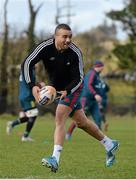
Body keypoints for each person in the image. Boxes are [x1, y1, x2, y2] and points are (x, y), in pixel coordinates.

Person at [21, 24, 119, 172]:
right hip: (57, 89)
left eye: (70, 37)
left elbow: (79, 79)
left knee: (60, 117)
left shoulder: (75, 53)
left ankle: (55, 159)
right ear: (56, 36)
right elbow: (27, 63)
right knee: (82, 122)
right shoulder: (45, 47)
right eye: (64, 36)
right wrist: (32, 85)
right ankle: (109, 143)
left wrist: (66, 91)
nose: (68, 40)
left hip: (72, 88)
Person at [65, 61, 109, 139]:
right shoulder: (92, 73)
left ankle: (102, 139)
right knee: (79, 118)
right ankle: (68, 133)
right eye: (102, 67)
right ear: (99, 66)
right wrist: (95, 94)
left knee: (98, 118)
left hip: (93, 101)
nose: (103, 68)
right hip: (86, 99)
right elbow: (89, 84)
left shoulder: (97, 75)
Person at [6, 68, 43, 142]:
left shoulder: (24, 71)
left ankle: (13, 124)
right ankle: (25, 136)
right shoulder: (30, 71)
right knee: (33, 114)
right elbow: (31, 84)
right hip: (28, 96)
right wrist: (40, 85)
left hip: (23, 96)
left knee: (29, 116)